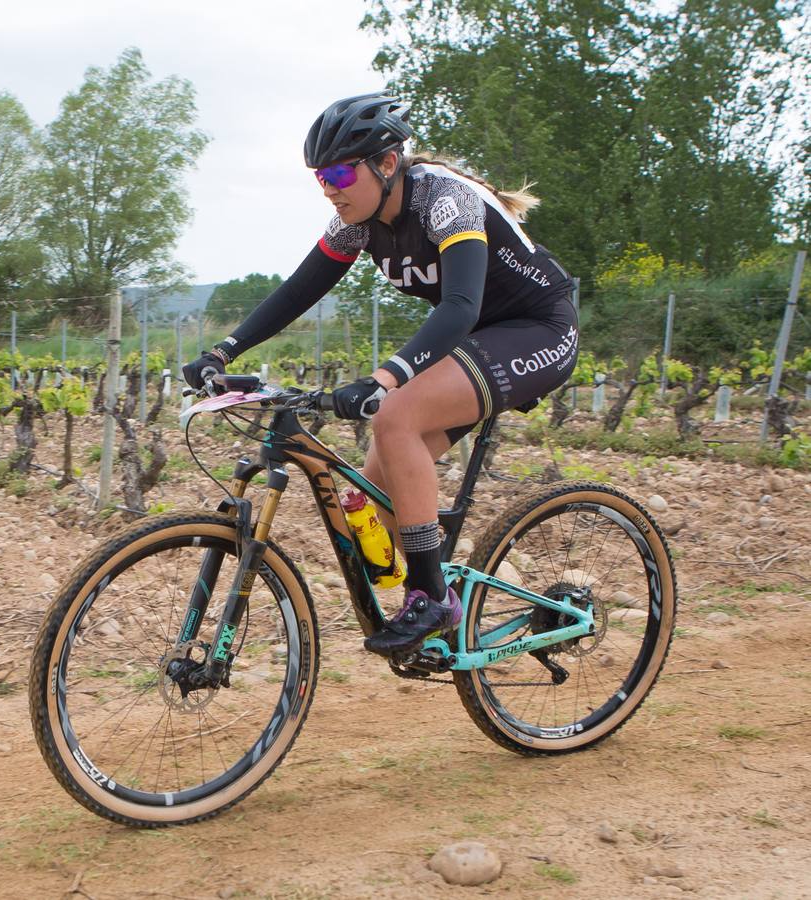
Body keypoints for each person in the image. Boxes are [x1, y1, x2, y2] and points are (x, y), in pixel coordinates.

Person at [182, 93, 579, 658]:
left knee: (394, 417)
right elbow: (300, 290)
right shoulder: (359, 223)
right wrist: (223, 351)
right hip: (477, 340)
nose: (330, 187)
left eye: (341, 172)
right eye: (321, 176)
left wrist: (385, 378)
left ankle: (431, 599)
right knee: (376, 488)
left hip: (537, 330)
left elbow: (462, 306)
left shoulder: (445, 200)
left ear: (386, 164)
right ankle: (439, 611)